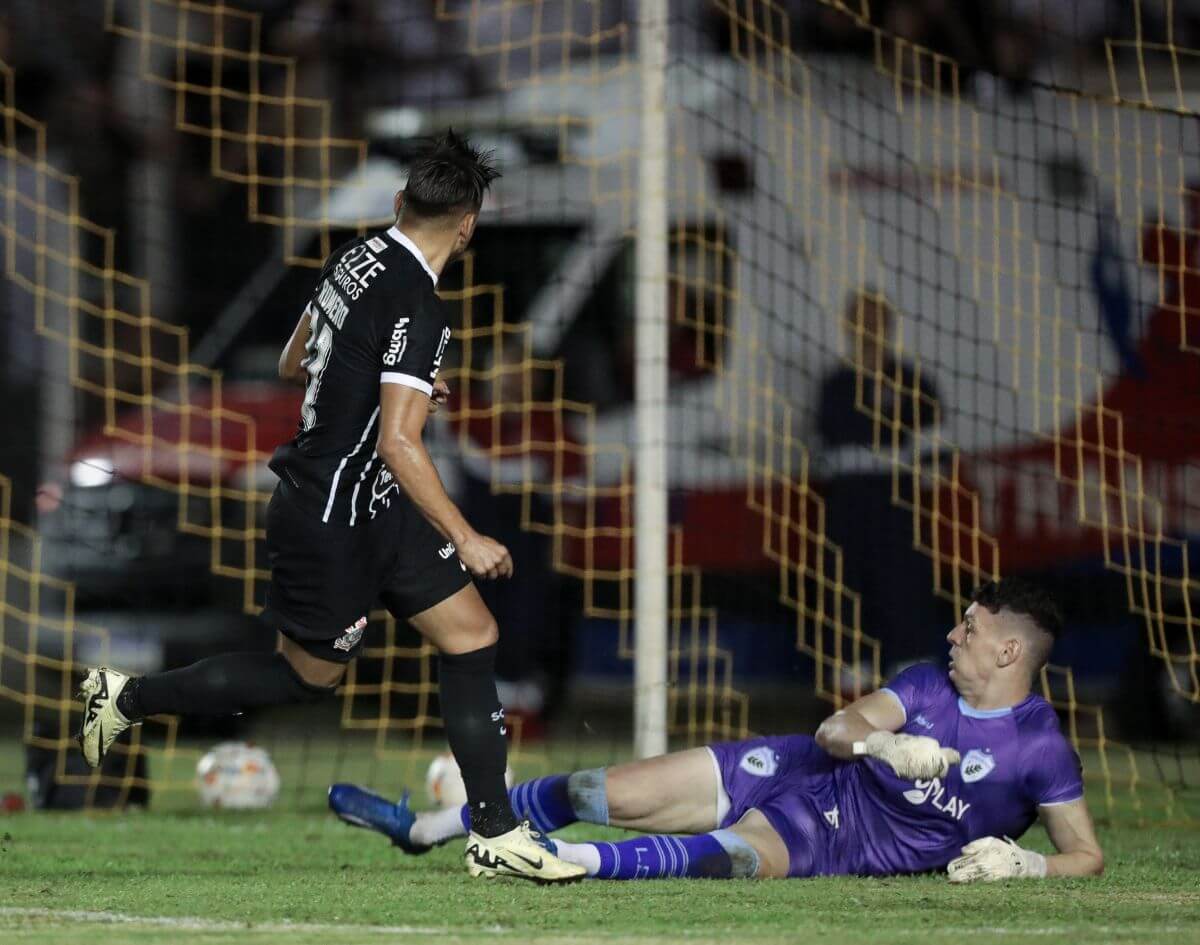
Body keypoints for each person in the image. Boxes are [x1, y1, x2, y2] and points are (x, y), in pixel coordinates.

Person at [75, 130, 585, 884]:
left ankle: (496, 832)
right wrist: (468, 534)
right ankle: (123, 697)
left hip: (374, 510)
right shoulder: (422, 305)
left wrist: (392, 384)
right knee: (306, 677)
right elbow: (401, 448)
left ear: (397, 203)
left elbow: (296, 360)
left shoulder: (355, 256)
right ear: (470, 225)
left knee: (473, 633)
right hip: (333, 518)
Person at [329, 579, 1104, 883]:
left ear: (1010, 650)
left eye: (969, 628)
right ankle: (426, 826)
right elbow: (841, 725)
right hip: (796, 765)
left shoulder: (1038, 746)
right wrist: (882, 743)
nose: (954, 633)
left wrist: (1028, 867)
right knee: (601, 787)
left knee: (731, 859)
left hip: (841, 836)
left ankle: (553, 859)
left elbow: (1087, 856)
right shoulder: (929, 682)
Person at [816, 289, 944, 672]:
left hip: (897, 508)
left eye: (874, 320)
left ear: (888, 326)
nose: (867, 328)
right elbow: (822, 454)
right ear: (847, 325)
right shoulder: (834, 385)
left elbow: (938, 455)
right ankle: (850, 700)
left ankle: (913, 707)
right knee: (846, 602)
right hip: (847, 509)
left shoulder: (912, 384)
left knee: (903, 600)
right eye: (860, 319)